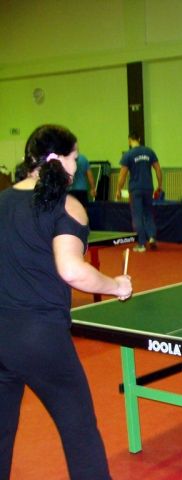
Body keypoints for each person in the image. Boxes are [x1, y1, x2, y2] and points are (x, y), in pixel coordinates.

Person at [0, 124, 132, 479]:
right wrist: (116, 285)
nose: (77, 164)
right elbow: (72, 270)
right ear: (56, 159)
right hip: (39, 338)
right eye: (74, 157)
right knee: (80, 432)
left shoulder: (1, 201)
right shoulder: (67, 206)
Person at [116, 132, 162, 252]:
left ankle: (141, 244)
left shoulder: (128, 155)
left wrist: (118, 189)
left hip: (135, 189)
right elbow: (158, 170)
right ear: (139, 139)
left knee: (137, 215)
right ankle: (152, 237)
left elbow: (122, 175)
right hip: (148, 188)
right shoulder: (149, 152)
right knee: (148, 213)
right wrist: (159, 185)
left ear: (129, 140)